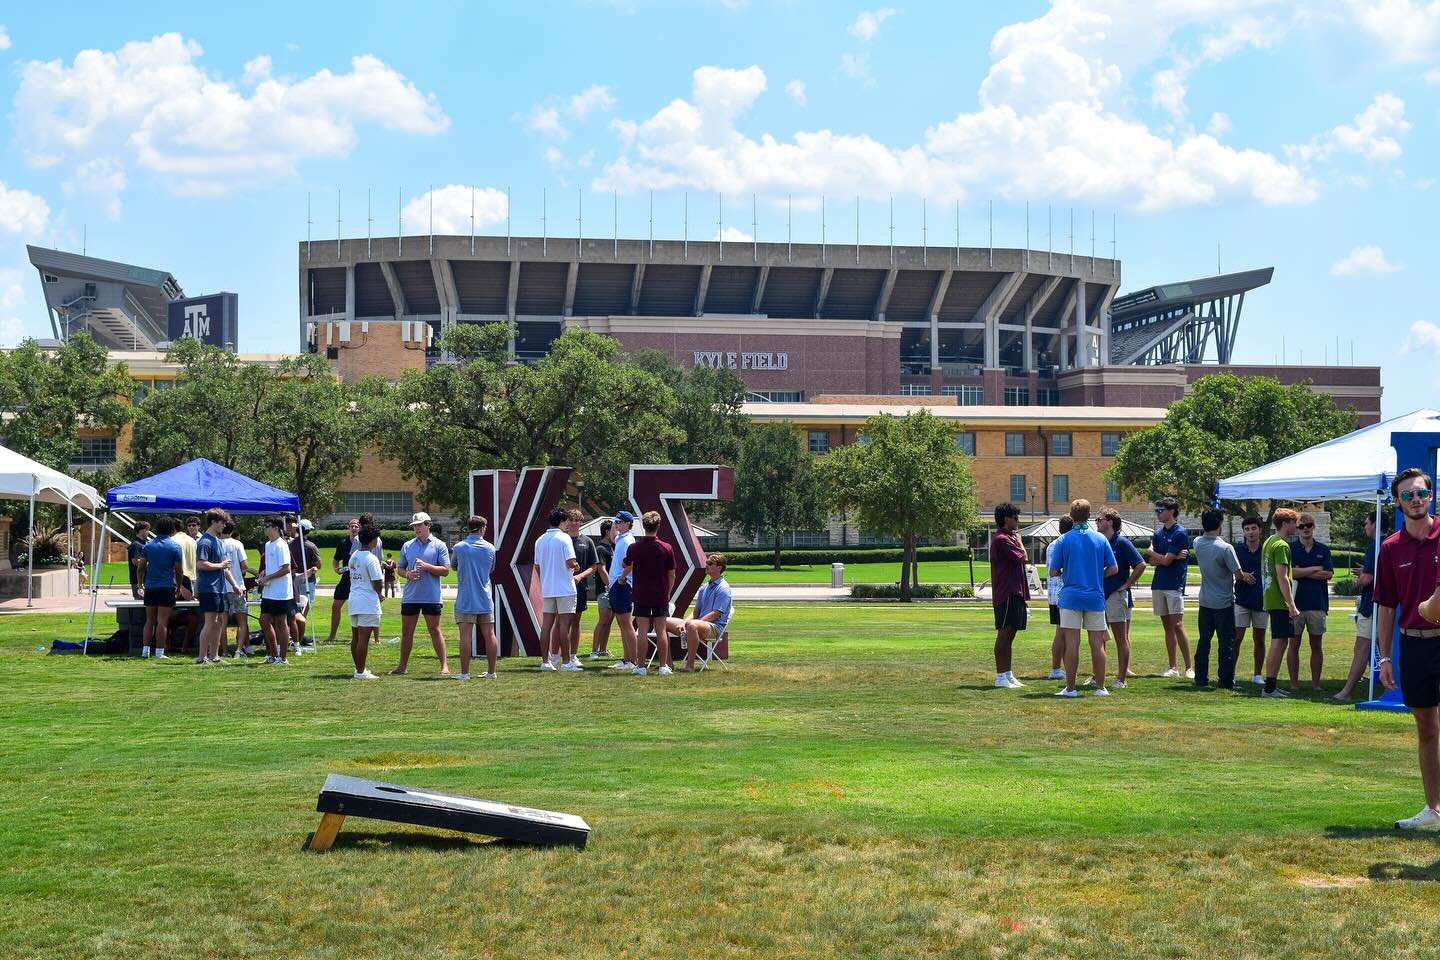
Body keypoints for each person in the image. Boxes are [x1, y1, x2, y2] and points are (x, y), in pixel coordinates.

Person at [1379, 468, 1440, 830]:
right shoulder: (1390, 547)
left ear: (1430, 495)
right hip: (1413, 645)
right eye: (1407, 495)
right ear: (1397, 501)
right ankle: (1433, 811)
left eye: (1422, 492)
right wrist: (1385, 657)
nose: (1416, 499)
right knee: (1426, 727)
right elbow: (1386, 605)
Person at [1050, 499, 1118, 698]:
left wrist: (1066, 571)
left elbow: (1054, 571)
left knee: (1072, 644)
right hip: (1094, 597)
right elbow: (1113, 568)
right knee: (1097, 644)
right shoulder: (1100, 539)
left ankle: (1070, 688)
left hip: (1070, 597)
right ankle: (1101, 687)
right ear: (1089, 516)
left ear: (1071, 516)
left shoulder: (1064, 540)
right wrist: (1097, 575)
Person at [392, 512, 452, 675]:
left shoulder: (439, 545)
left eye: (419, 525)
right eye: (414, 526)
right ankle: (402, 666)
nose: (416, 528)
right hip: (411, 596)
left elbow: (446, 570)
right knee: (406, 632)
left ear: (428, 525)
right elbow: (400, 568)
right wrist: (407, 575)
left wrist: (427, 566)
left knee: (434, 630)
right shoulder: (407, 546)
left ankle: (444, 665)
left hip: (431, 596)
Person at [1192, 508, 1242, 689]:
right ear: (1220, 524)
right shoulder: (1225, 548)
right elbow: (1238, 573)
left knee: (1204, 640)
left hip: (1205, 600)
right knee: (1226, 642)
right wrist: (1247, 576)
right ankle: (1225, 680)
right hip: (1223, 602)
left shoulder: (1197, 542)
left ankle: (1200, 678)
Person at [1097, 507, 1146, 688]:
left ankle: (1121, 679)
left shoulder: (1122, 543)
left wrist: (1127, 585)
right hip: (1100, 596)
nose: (1097, 522)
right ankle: (1097, 675)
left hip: (1116, 597)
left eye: (1100, 519)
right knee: (1099, 637)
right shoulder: (1100, 541)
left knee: (1120, 637)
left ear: (1110, 522)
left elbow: (1140, 564)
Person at [623, 510, 677, 676]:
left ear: (643, 526)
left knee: (643, 630)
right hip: (660, 593)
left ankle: (640, 666)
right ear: (658, 525)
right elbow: (672, 574)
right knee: (661, 630)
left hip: (641, 593)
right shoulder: (666, 547)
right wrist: (667, 592)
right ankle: (662, 666)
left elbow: (626, 564)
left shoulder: (634, 547)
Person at [1336, 511, 1380, 701]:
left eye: (1366, 523)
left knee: (1361, 648)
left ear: (1375, 524)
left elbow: (1368, 578)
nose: (1365, 527)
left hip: (1372, 607)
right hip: (1386, 607)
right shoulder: (1394, 543)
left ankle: (1346, 692)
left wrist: (1360, 580)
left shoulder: (1374, 546)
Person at [1149, 497, 1194, 679]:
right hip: (1159, 583)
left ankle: (1189, 667)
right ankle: (1172, 667)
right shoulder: (1158, 534)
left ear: (1172, 511)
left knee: (1177, 625)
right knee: (1167, 627)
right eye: (1157, 510)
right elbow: (1151, 558)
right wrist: (1170, 557)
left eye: (1161, 510)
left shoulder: (1180, 533)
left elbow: (1164, 561)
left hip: (1174, 584)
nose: (1158, 513)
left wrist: (1165, 557)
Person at [1259, 507, 1302, 698]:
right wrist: (1291, 604)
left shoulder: (1269, 541)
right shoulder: (1282, 546)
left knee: (1281, 640)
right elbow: (1282, 577)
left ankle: (1272, 685)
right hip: (1279, 601)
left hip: (1271, 598)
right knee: (1278, 642)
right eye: (1294, 522)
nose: (1297, 526)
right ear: (1285, 524)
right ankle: (1269, 687)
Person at [1288, 512, 1333, 693]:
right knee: (1294, 644)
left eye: (1308, 525)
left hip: (1317, 603)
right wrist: (1315, 569)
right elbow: (1290, 573)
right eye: (1301, 526)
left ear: (1314, 527)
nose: (1305, 529)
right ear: (1297, 529)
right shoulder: (1290, 549)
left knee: (1316, 645)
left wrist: (1302, 571)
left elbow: (1328, 574)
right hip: (1295, 604)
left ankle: (1316, 684)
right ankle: (1293, 684)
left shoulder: (1323, 549)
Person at [452, 515, 498, 680]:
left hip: (465, 599)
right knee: (490, 635)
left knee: (465, 636)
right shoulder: (490, 548)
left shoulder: (459, 547)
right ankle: (492, 672)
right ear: (482, 528)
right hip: (485, 598)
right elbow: (491, 569)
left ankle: (464, 673)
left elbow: (454, 566)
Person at [668, 553, 733, 672]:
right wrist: (685, 623)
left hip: (715, 628)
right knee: (663, 621)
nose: (706, 566)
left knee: (692, 625)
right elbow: (696, 611)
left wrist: (693, 623)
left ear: (719, 568)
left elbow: (716, 614)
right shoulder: (704, 587)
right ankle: (667, 664)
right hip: (699, 624)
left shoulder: (723, 588)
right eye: (706, 563)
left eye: (710, 563)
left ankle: (690, 666)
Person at [195, 507, 243, 665]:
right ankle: (202, 657)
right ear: (214, 522)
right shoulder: (205, 542)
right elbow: (201, 564)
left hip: (220, 588)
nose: (224, 526)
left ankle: (215, 656)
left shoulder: (218, 541)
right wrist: (220, 565)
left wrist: (235, 585)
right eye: (222, 522)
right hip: (208, 588)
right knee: (210, 622)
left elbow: (225, 568)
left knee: (219, 622)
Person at [535, 507, 580, 672]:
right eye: (567, 520)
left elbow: (537, 566)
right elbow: (570, 562)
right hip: (565, 588)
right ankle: (567, 662)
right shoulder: (564, 538)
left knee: (546, 626)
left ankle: (545, 661)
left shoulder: (540, 540)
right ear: (562, 521)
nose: (569, 523)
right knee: (563, 625)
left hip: (548, 588)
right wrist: (576, 566)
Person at [989, 502, 1029, 689]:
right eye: (1015, 518)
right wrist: (1019, 541)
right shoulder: (1001, 539)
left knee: (1011, 634)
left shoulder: (1008, 537)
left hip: (1015, 591)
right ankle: (1000, 676)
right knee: (1004, 634)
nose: (1018, 521)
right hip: (1006, 593)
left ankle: (1008, 674)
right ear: (1006, 519)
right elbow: (1023, 558)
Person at [137, 516, 184, 659]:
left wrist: (140, 585)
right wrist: (179, 586)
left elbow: (141, 568)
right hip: (166, 586)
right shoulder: (175, 547)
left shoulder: (148, 545)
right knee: (162, 621)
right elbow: (179, 570)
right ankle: (159, 652)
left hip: (150, 587)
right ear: (171, 529)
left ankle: (145, 651)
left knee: (149, 620)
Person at [565, 508, 604, 670]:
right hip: (561, 587)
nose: (574, 523)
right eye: (571, 520)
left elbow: (594, 566)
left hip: (580, 587)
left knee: (575, 621)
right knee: (561, 623)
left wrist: (580, 576)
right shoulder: (562, 539)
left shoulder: (587, 541)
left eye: (577, 520)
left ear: (581, 522)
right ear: (566, 522)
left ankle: (573, 656)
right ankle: (557, 655)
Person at [346, 524, 386, 680]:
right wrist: (380, 594)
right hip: (367, 601)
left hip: (354, 598)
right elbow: (377, 581)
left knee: (356, 637)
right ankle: (361, 672)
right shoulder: (371, 558)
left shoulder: (354, 555)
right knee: (363, 639)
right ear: (372, 540)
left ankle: (359, 669)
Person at [1233, 516, 1269, 686]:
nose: (1250, 532)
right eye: (1247, 529)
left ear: (1260, 530)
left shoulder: (1266, 550)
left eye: (1254, 528)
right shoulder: (1237, 550)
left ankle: (1257, 674)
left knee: (1259, 639)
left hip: (1262, 601)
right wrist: (1242, 575)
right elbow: (1229, 569)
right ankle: (1230, 673)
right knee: (1236, 638)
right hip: (1241, 600)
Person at [605, 512, 641, 671]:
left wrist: (622, 577)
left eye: (619, 522)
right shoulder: (621, 538)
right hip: (616, 585)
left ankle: (633, 660)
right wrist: (614, 525)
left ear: (628, 523)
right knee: (622, 624)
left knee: (626, 624)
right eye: (615, 522)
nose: (616, 524)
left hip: (623, 585)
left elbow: (632, 562)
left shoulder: (628, 541)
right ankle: (626, 659)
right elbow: (613, 537)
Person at [257, 517, 295, 664]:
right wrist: (264, 573)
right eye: (264, 525)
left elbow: (286, 568)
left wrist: (268, 578)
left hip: (281, 592)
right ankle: (273, 654)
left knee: (281, 623)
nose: (265, 528)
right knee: (264, 621)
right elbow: (271, 565)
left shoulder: (282, 545)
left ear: (276, 528)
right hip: (269, 590)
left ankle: (283, 657)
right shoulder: (268, 544)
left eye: (268, 525)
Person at [1045, 517, 1074, 681]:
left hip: (1054, 595)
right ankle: (1056, 669)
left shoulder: (1052, 545)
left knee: (1061, 633)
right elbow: (1058, 570)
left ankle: (1059, 668)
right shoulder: (1065, 544)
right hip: (1063, 594)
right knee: (1063, 634)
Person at [221, 520, 254, 658]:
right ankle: (239, 650)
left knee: (222, 623)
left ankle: (224, 651)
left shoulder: (216, 543)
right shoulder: (237, 544)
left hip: (221, 587)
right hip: (237, 587)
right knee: (242, 622)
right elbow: (244, 566)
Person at [326, 517, 361, 644]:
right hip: (346, 578)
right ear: (348, 528)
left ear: (360, 528)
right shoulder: (343, 543)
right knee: (336, 606)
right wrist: (336, 569)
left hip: (360, 579)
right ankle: (332, 635)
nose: (354, 528)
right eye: (352, 526)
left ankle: (371, 637)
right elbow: (335, 559)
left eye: (356, 526)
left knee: (361, 608)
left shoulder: (363, 543)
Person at [589, 518, 616, 659]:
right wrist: (610, 586)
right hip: (605, 589)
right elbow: (601, 570)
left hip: (613, 589)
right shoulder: (600, 548)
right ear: (607, 531)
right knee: (603, 619)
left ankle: (603, 650)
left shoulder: (613, 547)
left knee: (609, 620)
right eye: (613, 529)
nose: (616, 532)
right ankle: (594, 650)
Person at [127, 521, 152, 600]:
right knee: (140, 602)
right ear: (141, 531)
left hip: (147, 579)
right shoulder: (136, 544)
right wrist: (153, 564)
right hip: (138, 581)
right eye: (147, 530)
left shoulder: (145, 543)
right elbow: (135, 561)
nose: (149, 532)